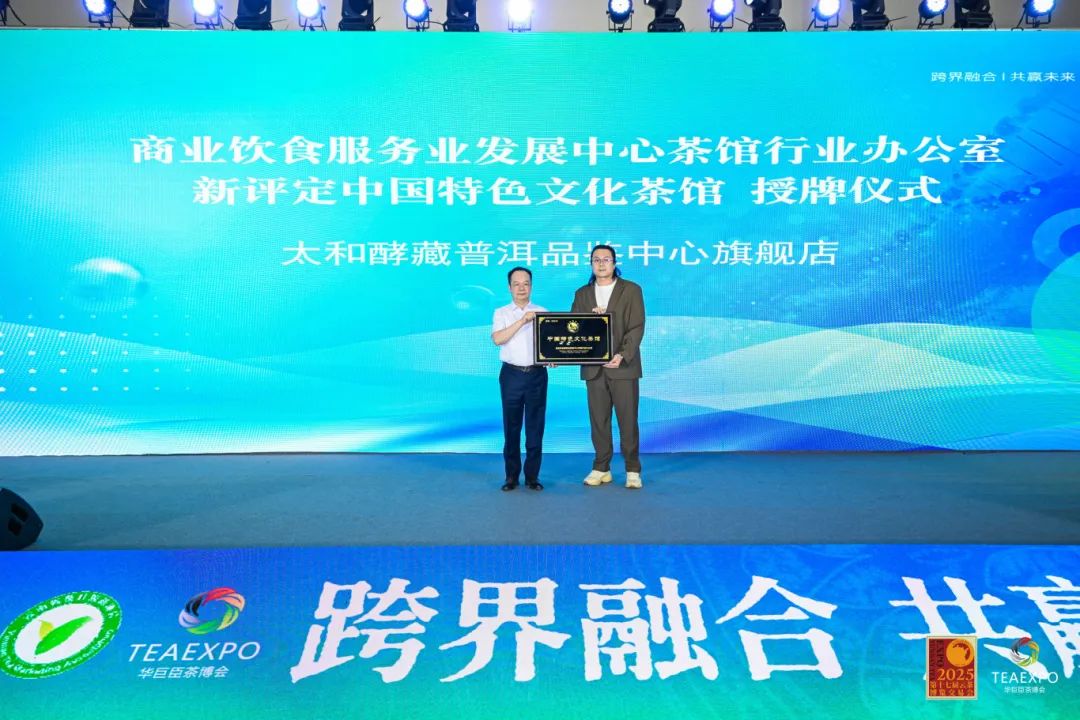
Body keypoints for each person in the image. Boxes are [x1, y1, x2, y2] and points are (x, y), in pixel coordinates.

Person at [571, 244, 646, 490]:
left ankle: (632, 469)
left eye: (606, 259)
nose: (601, 263)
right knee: (599, 421)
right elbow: (573, 329)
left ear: (614, 263)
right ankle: (601, 467)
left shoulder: (631, 290)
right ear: (591, 264)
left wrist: (622, 355)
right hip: (594, 369)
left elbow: (636, 326)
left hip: (623, 367)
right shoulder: (582, 294)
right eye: (596, 259)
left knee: (628, 420)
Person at [491, 267, 548, 492]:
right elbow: (498, 339)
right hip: (511, 375)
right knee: (511, 427)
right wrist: (523, 320)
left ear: (531, 286)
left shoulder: (543, 312)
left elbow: (550, 345)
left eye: (526, 283)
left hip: (537, 375)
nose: (521, 288)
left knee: (535, 427)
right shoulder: (501, 313)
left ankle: (532, 476)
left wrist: (552, 359)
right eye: (517, 284)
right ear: (509, 287)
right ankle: (511, 476)